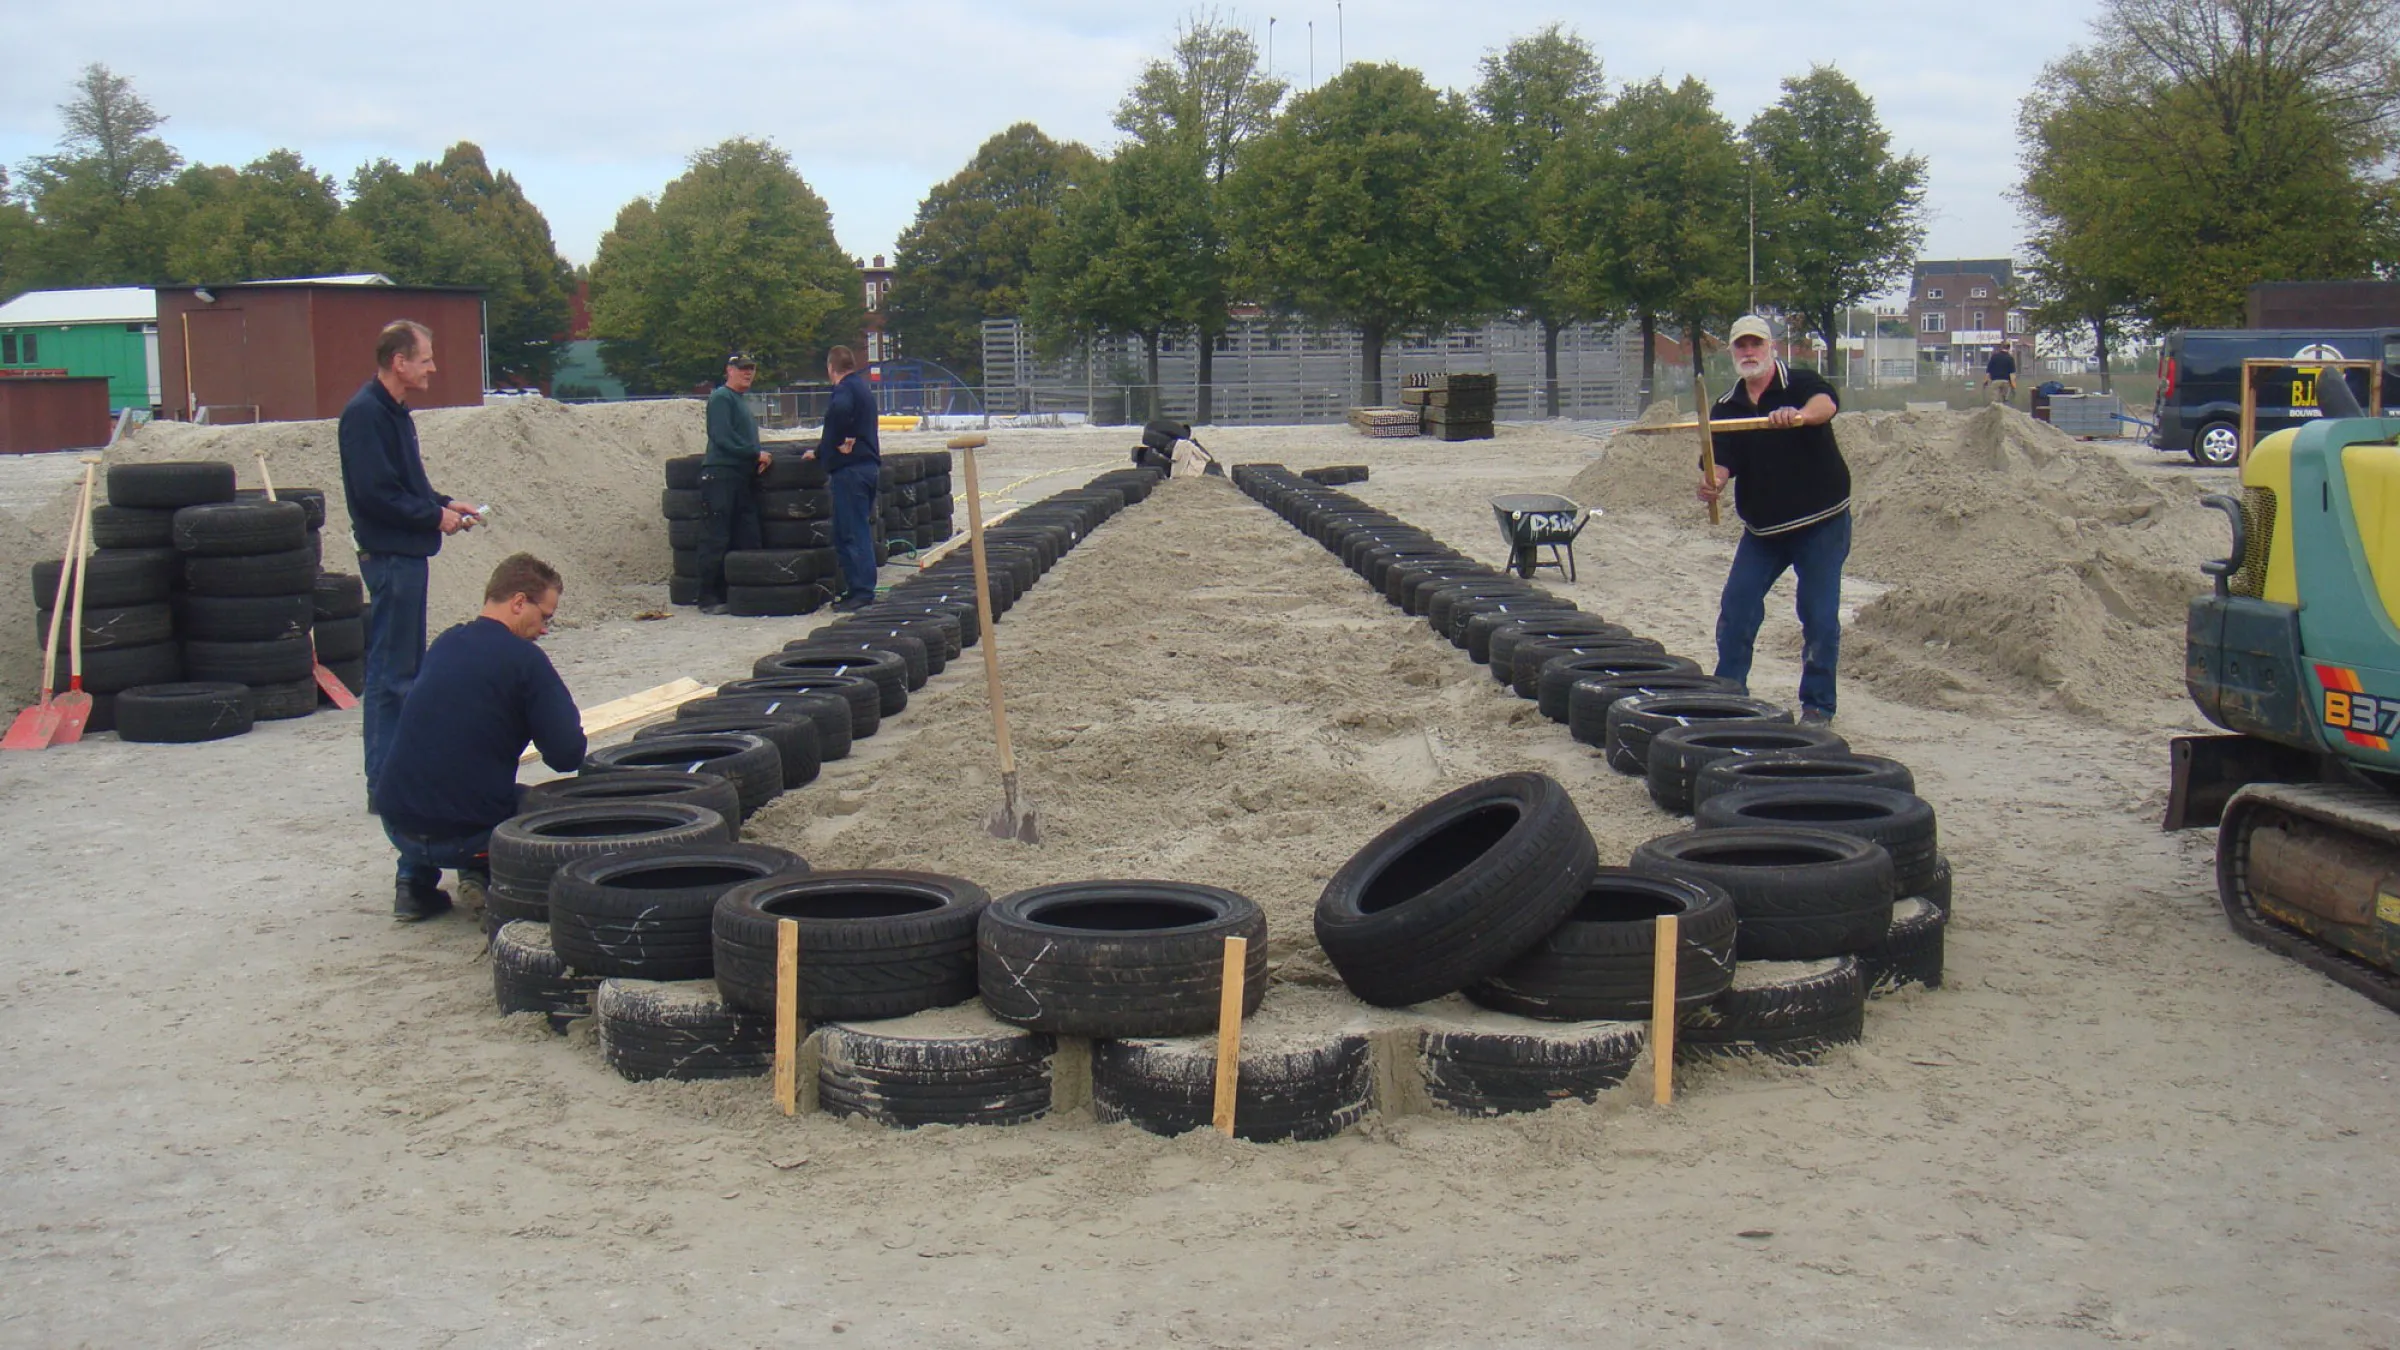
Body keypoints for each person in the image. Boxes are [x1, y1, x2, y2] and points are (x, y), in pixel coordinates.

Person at [374, 553, 585, 922]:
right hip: (466, 836)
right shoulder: (526, 661)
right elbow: (567, 754)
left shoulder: (445, 643)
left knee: (434, 771)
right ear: (519, 602)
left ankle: (412, 885)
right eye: (545, 616)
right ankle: (488, 875)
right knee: (552, 808)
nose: (545, 629)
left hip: (397, 823)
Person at [339, 319, 480, 811]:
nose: (433, 368)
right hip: (391, 558)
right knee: (390, 676)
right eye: (425, 358)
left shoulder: (395, 413)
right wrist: (432, 516)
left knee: (405, 672)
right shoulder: (364, 416)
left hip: (408, 555)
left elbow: (405, 484)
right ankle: (384, 785)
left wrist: (445, 503)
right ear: (399, 362)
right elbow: (376, 495)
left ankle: (396, 776)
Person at [1696, 314, 1849, 726]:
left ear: (1771, 348)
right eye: (1741, 346)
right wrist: (1714, 482)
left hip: (1821, 521)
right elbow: (1722, 461)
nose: (1749, 353)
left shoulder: (1799, 383)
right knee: (1737, 606)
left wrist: (1797, 415)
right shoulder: (1726, 407)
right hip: (1764, 530)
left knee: (1818, 614)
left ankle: (1818, 706)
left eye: (1756, 345)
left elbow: (1826, 405)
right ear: (1732, 353)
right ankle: (1729, 693)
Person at [805, 345, 882, 611]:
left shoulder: (844, 390)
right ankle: (858, 589)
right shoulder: (862, 388)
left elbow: (839, 412)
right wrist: (819, 452)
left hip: (851, 470)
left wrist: (838, 442)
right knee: (853, 529)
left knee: (851, 532)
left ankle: (861, 592)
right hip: (868, 467)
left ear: (830, 368)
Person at [695, 353, 771, 615]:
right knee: (717, 536)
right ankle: (708, 598)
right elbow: (722, 437)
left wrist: (755, 459)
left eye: (751, 369)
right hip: (721, 475)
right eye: (742, 369)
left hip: (741, 475)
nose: (748, 373)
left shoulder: (740, 402)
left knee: (746, 534)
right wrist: (753, 453)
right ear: (729, 370)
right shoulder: (721, 398)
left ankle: (742, 594)